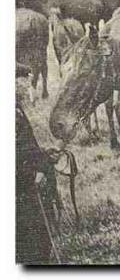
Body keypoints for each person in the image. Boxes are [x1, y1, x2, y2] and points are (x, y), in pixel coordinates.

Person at [16, 63, 54, 264]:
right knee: (33, 240)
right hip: (22, 185)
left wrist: (43, 157)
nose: (25, 86)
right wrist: (37, 170)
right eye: (21, 81)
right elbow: (20, 148)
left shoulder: (15, 107)